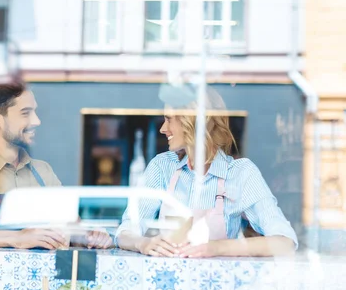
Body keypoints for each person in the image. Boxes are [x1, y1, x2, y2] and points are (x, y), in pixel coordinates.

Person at [116, 86, 297, 258]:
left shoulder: (241, 173)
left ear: (193, 121)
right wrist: (143, 243)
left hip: (216, 287)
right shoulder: (162, 167)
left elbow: (285, 242)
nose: (163, 128)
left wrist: (217, 247)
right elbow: (125, 233)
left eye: (169, 119)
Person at [0, 82, 112, 249]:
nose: (36, 121)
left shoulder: (43, 171)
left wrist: (89, 236)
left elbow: (71, 226)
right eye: (26, 113)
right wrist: (15, 238)